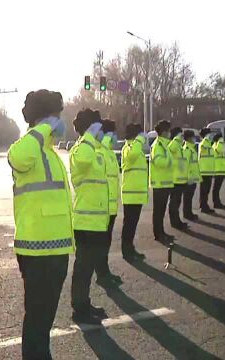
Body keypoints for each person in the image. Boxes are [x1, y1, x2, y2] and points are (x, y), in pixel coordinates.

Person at [7, 89, 74, 360]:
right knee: (37, 318)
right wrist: (44, 126)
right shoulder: (28, 147)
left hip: (56, 249)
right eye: (57, 115)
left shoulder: (50, 153)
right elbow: (18, 157)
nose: (61, 121)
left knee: (44, 319)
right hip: (37, 252)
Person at [69, 108, 109, 325]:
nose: (101, 131)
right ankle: (79, 310)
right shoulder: (81, 149)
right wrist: (89, 137)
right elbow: (84, 162)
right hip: (85, 220)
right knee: (83, 268)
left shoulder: (93, 148)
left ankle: (84, 303)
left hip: (96, 220)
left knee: (88, 267)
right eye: (98, 127)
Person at [94, 118, 124, 287]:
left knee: (106, 242)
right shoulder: (100, 150)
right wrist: (106, 138)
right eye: (113, 133)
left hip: (111, 205)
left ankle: (105, 272)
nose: (115, 137)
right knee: (102, 243)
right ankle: (102, 274)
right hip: (103, 206)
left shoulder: (109, 152)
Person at [120, 123, 148, 262]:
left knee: (132, 225)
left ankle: (130, 248)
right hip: (131, 194)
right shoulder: (129, 147)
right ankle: (126, 251)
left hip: (137, 194)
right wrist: (139, 140)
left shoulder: (136, 148)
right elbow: (132, 156)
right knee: (129, 225)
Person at [150, 120, 175, 244]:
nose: (170, 133)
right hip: (160, 184)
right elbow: (159, 162)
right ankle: (158, 234)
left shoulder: (164, 145)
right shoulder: (158, 145)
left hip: (165, 183)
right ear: (164, 132)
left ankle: (161, 232)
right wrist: (171, 162)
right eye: (169, 131)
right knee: (158, 212)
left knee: (161, 211)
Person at [167, 127, 188, 230]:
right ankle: (174, 222)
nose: (182, 137)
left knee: (177, 202)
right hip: (175, 179)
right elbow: (170, 149)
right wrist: (176, 139)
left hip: (181, 178)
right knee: (174, 202)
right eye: (180, 134)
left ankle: (177, 220)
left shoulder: (180, 147)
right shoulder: (173, 144)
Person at [182, 130, 200, 221]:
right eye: (193, 137)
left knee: (189, 197)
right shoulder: (187, 149)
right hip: (189, 178)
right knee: (187, 198)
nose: (194, 139)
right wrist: (189, 178)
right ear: (189, 138)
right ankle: (187, 214)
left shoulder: (191, 148)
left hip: (192, 177)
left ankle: (189, 212)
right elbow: (186, 165)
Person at [198, 128, 216, 214]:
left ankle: (204, 205)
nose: (211, 136)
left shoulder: (209, 144)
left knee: (206, 190)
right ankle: (204, 206)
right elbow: (203, 151)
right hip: (204, 171)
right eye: (209, 134)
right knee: (204, 190)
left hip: (209, 170)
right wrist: (206, 139)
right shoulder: (204, 144)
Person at [212, 132, 225, 209]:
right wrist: (221, 141)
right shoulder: (218, 145)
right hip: (219, 170)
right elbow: (223, 150)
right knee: (216, 189)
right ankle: (216, 203)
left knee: (216, 189)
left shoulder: (215, 145)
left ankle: (217, 202)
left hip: (219, 170)